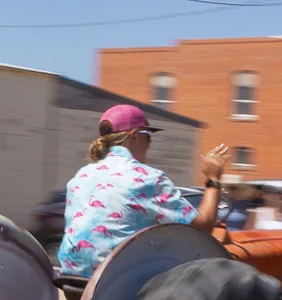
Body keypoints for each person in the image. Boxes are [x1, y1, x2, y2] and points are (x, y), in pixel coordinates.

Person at [57, 105, 229, 278]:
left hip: (72, 279)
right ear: (134, 136)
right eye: (148, 137)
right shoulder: (146, 178)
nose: (150, 144)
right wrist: (213, 179)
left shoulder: (82, 175)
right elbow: (203, 227)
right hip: (112, 282)